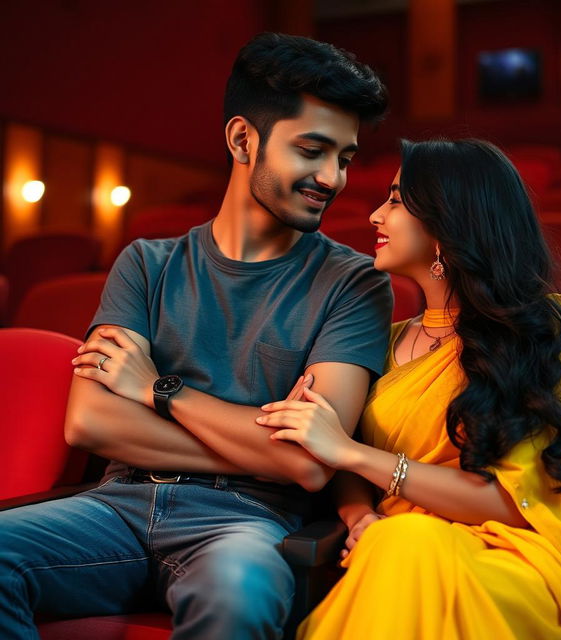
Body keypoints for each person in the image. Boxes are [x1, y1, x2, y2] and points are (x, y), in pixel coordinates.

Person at [0, 33, 392, 640]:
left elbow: (314, 461)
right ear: (242, 139)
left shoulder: (354, 284)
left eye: (344, 157)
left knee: (238, 592)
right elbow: (92, 423)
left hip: (247, 522)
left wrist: (159, 389)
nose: (332, 177)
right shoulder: (146, 264)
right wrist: (265, 453)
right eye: (313, 150)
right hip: (118, 506)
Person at [257, 138, 561, 640]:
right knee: (402, 544)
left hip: (513, 559)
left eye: (396, 201)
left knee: (407, 543)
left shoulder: (541, 326)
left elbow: (513, 505)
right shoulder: (380, 342)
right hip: (393, 548)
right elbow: (337, 463)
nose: (373, 217)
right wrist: (359, 514)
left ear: (447, 223)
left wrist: (351, 452)